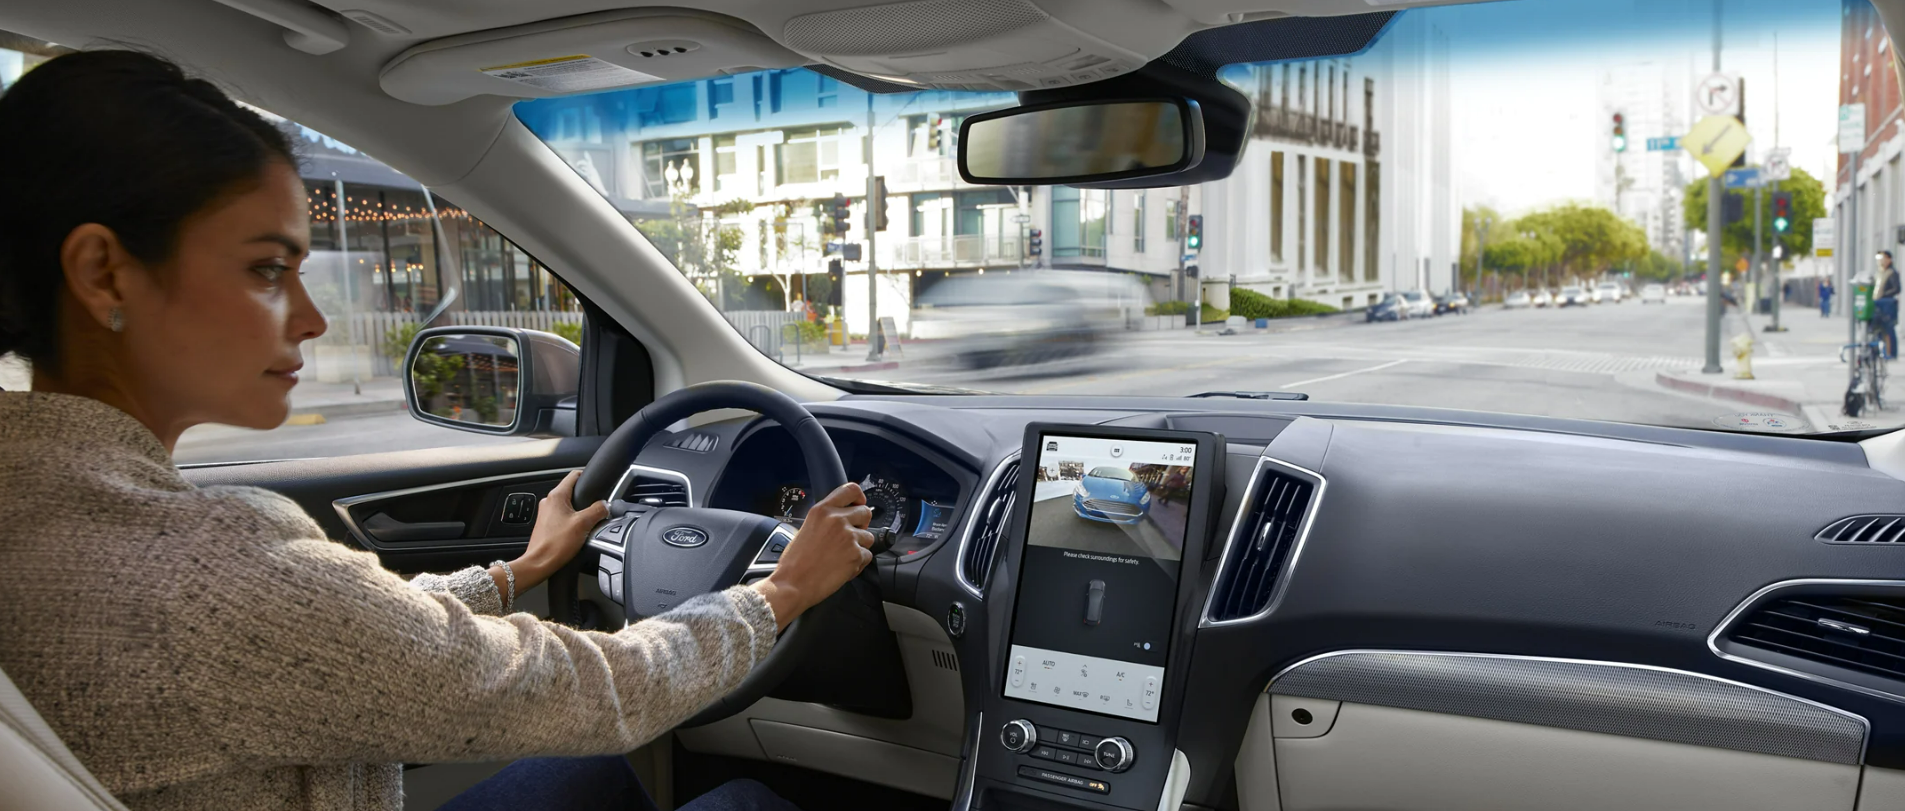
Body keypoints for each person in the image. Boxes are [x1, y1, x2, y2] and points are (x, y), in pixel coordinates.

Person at [0, 51, 876, 811]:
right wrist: (778, 593)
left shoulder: (42, 509)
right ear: (103, 272)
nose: (310, 318)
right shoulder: (201, 571)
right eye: (268, 269)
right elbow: (591, 690)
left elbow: (339, 644)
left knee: (593, 781)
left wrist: (517, 572)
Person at [1879, 252, 1901, 360]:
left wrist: (1884, 294)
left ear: (1889, 259)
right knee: (1879, 328)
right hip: (1880, 303)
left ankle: (1892, 352)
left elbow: (1897, 288)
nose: (1881, 261)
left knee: (1889, 328)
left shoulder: (1892, 273)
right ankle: (1882, 351)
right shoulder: (1882, 272)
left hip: (1888, 303)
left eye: (1883, 258)